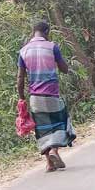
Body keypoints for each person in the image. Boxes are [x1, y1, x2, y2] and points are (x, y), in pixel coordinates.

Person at [17, 21, 76, 172]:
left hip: (35, 96)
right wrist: (58, 59)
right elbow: (64, 69)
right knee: (59, 122)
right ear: (47, 31)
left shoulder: (23, 51)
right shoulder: (52, 47)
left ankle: (49, 163)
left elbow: (20, 78)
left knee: (42, 129)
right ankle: (55, 151)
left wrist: (21, 98)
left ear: (33, 32)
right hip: (52, 94)